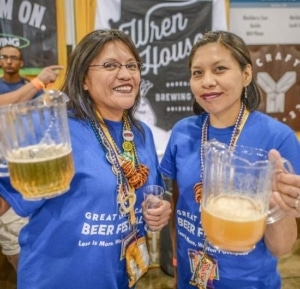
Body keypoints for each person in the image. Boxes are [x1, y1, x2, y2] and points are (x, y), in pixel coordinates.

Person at [0, 29, 171, 289]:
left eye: (132, 65)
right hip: (57, 280)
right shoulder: (54, 128)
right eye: (110, 65)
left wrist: (159, 211)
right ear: (83, 80)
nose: (125, 74)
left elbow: (150, 195)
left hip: (118, 278)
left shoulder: (141, 133)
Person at [159, 30, 300, 289]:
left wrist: (277, 204)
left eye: (220, 69)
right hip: (192, 277)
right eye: (197, 73)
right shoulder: (182, 132)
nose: (207, 81)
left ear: (246, 74)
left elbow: (282, 247)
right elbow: (178, 209)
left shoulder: (278, 139)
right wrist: (178, 269)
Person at [0, 46, 62, 271]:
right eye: (4, 57)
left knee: (18, 245)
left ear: (21, 61)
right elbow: (5, 105)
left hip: (20, 175)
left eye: (13, 58)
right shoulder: (29, 87)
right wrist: (38, 81)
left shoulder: (30, 87)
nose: (8, 62)